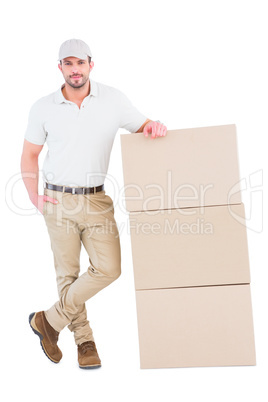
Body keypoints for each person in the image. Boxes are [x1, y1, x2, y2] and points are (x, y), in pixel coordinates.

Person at [21, 38, 167, 369]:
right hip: (57, 199)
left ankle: (49, 320)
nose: (75, 70)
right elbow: (29, 155)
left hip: (97, 198)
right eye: (68, 64)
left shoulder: (112, 99)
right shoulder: (43, 107)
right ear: (60, 68)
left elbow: (143, 127)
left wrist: (154, 127)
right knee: (68, 273)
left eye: (80, 63)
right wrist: (34, 196)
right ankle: (84, 341)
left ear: (90, 65)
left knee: (110, 268)